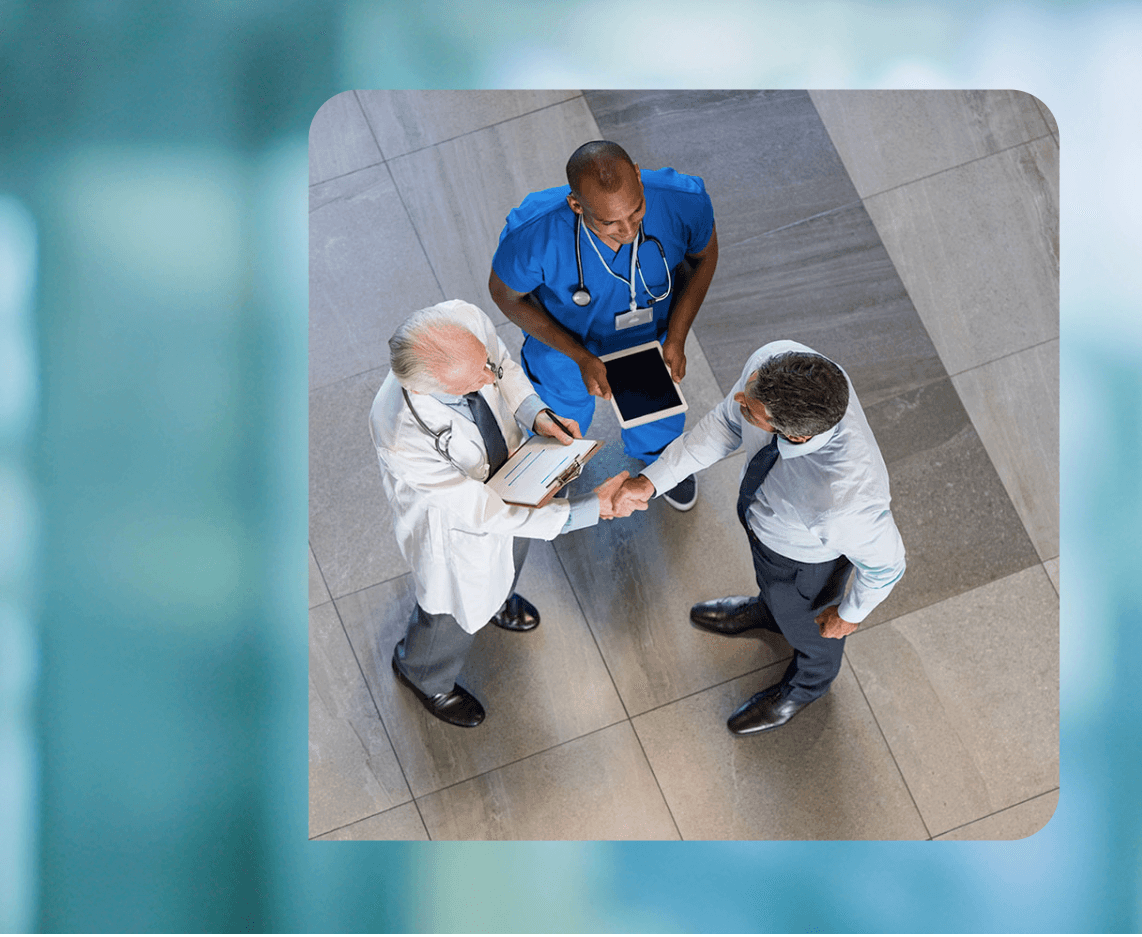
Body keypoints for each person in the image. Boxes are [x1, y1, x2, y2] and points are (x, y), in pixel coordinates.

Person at [609, 342, 906, 735]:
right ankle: (770, 611)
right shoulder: (777, 361)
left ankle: (808, 685)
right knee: (775, 591)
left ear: (795, 436)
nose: (738, 401)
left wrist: (849, 615)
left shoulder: (846, 501)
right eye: (749, 392)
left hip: (804, 561)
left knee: (812, 630)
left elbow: (887, 565)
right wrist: (652, 482)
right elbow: (726, 423)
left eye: (752, 410)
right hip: (765, 524)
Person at [369, 299, 634, 728]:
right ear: (427, 388)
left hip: (513, 478)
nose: (487, 377)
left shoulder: (463, 322)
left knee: (510, 556)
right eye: (475, 380)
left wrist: (537, 414)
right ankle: (423, 673)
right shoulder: (403, 434)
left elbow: (505, 366)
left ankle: (497, 600)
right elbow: (486, 513)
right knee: (450, 609)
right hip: (458, 528)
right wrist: (588, 509)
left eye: (483, 365)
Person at [488, 139, 718, 511]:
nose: (627, 230)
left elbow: (705, 256)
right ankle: (556, 467)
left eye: (637, 211)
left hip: (646, 336)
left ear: (640, 178)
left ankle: (660, 463)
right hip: (565, 345)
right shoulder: (532, 235)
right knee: (560, 417)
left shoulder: (683, 200)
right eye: (609, 223)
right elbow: (504, 295)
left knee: (656, 412)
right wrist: (579, 356)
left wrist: (677, 335)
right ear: (576, 205)